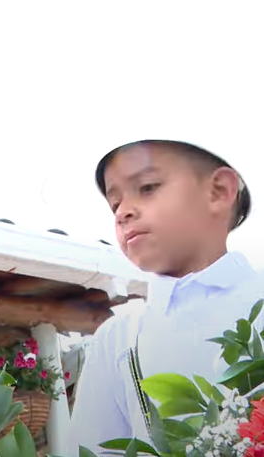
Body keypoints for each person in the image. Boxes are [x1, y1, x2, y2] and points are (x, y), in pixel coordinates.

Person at [69, 136, 263, 453]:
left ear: (219, 192)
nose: (123, 213)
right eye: (115, 203)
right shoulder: (118, 338)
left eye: (147, 187)